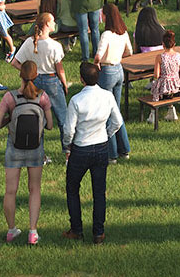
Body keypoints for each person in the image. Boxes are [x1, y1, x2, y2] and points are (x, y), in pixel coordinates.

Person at [63, 60, 124, 245]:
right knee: (99, 191)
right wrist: (106, 134)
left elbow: (68, 130)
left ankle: (76, 229)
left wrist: (67, 146)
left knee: (72, 188)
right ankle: (98, 233)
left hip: (81, 148)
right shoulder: (107, 96)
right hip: (101, 147)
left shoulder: (76, 100)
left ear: (81, 79)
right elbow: (117, 121)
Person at [0, 60, 52, 246]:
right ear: (36, 76)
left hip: (14, 148)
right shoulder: (43, 97)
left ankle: (12, 230)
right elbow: (50, 125)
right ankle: (33, 232)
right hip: (35, 149)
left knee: (10, 191)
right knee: (34, 189)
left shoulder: (9, 97)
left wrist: (10, 119)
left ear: (20, 75)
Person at [13, 12, 69, 153]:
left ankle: (39, 151)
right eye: (53, 21)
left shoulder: (29, 43)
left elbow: (15, 62)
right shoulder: (54, 45)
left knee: (37, 118)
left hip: (34, 81)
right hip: (52, 81)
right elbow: (59, 68)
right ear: (47, 25)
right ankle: (67, 149)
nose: (55, 23)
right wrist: (64, 83)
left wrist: (29, 74)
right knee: (62, 117)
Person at [94, 3, 132, 163]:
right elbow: (129, 51)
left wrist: (97, 63)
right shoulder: (123, 33)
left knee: (108, 113)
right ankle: (125, 149)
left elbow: (98, 55)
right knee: (116, 111)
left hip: (107, 72)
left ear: (107, 16)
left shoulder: (106, 35)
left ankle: (112, 153)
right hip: (119, 70)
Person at [151, 29, 180, 123]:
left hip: (164, 91)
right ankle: (171, 110)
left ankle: (153, 114)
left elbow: (156, 75)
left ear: (163, 44)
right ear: (174, 44)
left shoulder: (160, 57)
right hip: (177, 89)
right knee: (166, 89)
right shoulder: (179, 56)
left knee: (155, 87)